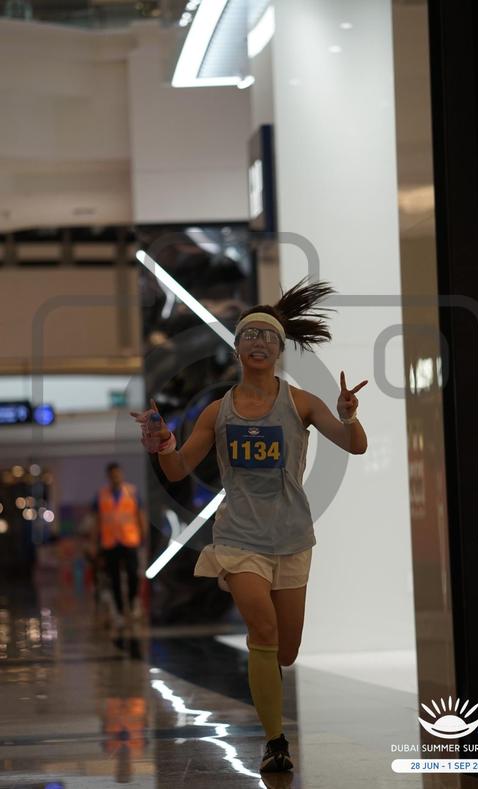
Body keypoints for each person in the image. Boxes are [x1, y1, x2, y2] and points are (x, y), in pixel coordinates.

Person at [130, 277, 368, 773]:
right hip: (239, 538)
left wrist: (348, 416)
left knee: (286, 648)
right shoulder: (217, 411)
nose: (258, 343)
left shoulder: (301, 402)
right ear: (237, 347)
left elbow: (355, 445)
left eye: (267, 337)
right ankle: (275, 741)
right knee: (261, 629)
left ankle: (271, 694)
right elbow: (178, 469)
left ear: (280, 349)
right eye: (249, 336)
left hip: (292, 537)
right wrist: (163, 443)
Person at [91, 463, 148, 629]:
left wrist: (143, 536)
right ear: (108, 476)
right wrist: (94, 543)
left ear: (121, 474)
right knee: (114, 578)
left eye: (118, 474)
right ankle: (120, 611)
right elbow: (97, 520)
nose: (116, 477)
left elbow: (140, 515)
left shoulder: (132, 492)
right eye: (113, 474)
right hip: (110, 543)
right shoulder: (102, 495)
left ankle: (133, 601)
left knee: (133, 574)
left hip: (130, 540)